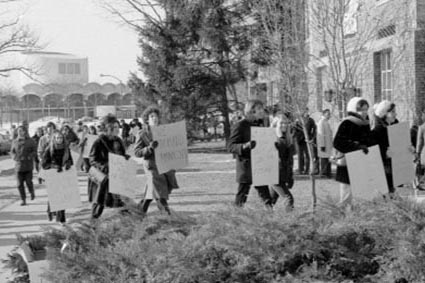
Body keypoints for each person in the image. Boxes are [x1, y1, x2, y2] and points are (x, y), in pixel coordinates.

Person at [228, 99, 273, 207]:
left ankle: (270, 217)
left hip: (259, 166)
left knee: (266, 197)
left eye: (262, 108)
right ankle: (236, 217)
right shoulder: (240, 125)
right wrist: (245, 146)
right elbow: (230, 146)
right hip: (246, 166)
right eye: (259, 109)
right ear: (251, 111)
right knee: (242, 196)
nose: (262, 111)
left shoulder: (262, 124)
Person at [134, 106, 179, 214]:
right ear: (147, 119)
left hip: (163, 166)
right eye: (152, 116)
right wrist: (150, 148)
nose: (155, 118)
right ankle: (167, 215)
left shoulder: (164, 132)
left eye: (156, 116)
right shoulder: (142, 133)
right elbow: (137, 152)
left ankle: (138, 214)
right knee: (159, 193)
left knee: (150, 193)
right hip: (151, 167)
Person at [333, 97, 373, 208]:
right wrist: (356, 146)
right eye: (361, 109)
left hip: (361, 163)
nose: (364, 112)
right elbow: (337, 142)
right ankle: (343, 221)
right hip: (347, 165)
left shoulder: (365, 123)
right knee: (346, 198)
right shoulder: (347, 123)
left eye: (366, 109)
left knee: (361, 197)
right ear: (354, 110)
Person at [89, 114, 128, 218]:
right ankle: (93, 224)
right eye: (114, 127)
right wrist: (106, 166)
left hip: (117, 175)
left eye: (117, 126)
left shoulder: (118, 140)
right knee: (99, 202)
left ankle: (128, 225)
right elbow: (92, 159)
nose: (117, 129)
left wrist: (126, 158)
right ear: (108, 128)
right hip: (104, 177)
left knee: (122, 201)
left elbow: (122, 154)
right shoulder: (99, 142)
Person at [41, 131, 73, 223]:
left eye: (61, 138)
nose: (59, 139)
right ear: (54, 139)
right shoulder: (49, 149)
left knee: (62, 197)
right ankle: (50, 210)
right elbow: (44, 164)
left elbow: (71, 160)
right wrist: (54, 166)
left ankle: (61, 219)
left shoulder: (66, 149)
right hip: (53, 175)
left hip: (63, 175)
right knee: (54, 196)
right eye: (57, 138)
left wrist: (68, 163)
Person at [371, 100, 399, 195]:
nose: (396, 114)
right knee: (386, 196)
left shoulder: (394, 128)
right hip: (384, 171)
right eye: (393, 112)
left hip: (393, 169)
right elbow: (373, 152)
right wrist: (385, 154)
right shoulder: (378, 130)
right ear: (385, 114)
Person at [269, 114, 295, 211]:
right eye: (281, 123)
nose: (284, 125)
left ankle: (263, 221)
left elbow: (289, 160)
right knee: (289, 200)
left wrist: (290, 177)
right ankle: (289, 223)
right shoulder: (272, 139)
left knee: (270, 201)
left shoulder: (287, 139)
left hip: (283, 175)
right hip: (274, 176)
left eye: (286, 123)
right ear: (276, 124)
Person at [11, 126, 37, 206]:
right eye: (18, 131)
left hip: (28, 166)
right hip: (19, 166)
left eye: (21, 130)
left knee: (29, 182)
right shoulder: (15, 141)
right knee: (19, 184)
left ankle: (31, 191)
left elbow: (35, 151)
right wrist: (15, 157)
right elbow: (12, 152)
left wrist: (30, 156)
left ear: (25, 132)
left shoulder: (31, 141)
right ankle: (23, 199)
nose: (20, 132)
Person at [294, 108, 318, 174]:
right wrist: (297, 138)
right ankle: (300, 169)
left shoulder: (311, 120)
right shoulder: (298, 120)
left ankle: (306, 170)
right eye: (305, 111)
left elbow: (314, 129)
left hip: (307, 140)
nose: (306, 113)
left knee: (307, 155)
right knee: (300, 156)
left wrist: (312, 138)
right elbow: (295, 130)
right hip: (299, 141)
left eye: (307, 111)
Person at [317, 109, 333, 178]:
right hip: (324, 145)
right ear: (324, 114)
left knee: (327, 159)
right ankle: (324, 174)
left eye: (329, 114)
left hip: (328, 144)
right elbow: (321, 134)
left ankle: (328, 173)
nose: (329, 115)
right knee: (324, 160)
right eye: (328, 114)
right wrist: (322, 145)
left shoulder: (326, 122)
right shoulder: (321, 122)